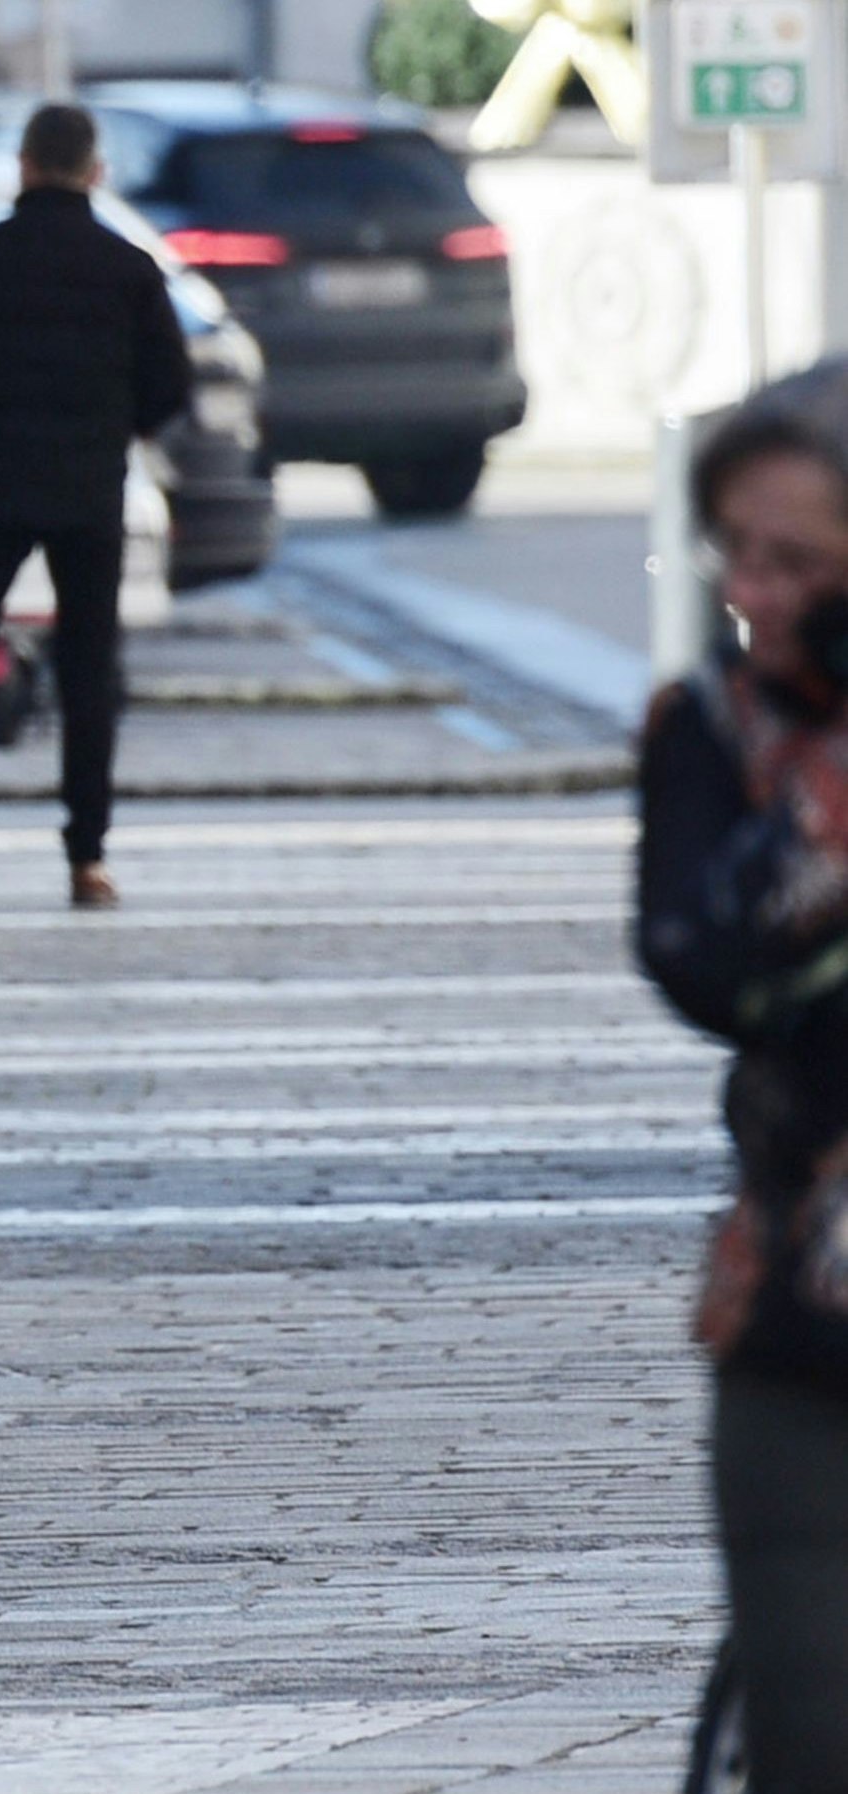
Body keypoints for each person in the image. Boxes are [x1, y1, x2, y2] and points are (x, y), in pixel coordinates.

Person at [638, 359, 848, 1794]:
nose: (756, 595)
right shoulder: (712, 731)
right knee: (809, 1723)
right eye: (738, 555)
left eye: (799, 563)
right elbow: (697, 954)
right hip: (800, 1305)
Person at [0, 102, 189, 911]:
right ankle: (86, 855)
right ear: (95, 172)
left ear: (22, 166)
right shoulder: (127, 269)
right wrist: (114, 431)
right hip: (87, 488)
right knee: (89, 668)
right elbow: (170, 384)